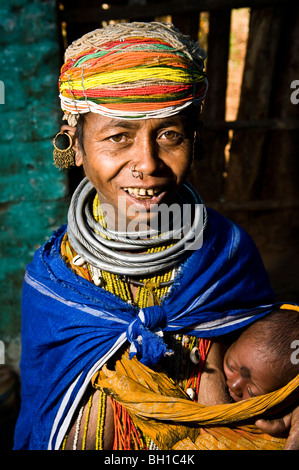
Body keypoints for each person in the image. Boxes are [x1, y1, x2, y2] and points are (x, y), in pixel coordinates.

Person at [13, 21, 299, 450]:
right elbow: (45, 410)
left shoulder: (226, 253)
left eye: (170, 135)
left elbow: (271, 354)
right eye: (118, 137)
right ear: (75, 144)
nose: (147, 163)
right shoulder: (55, 283)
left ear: (194, 140)